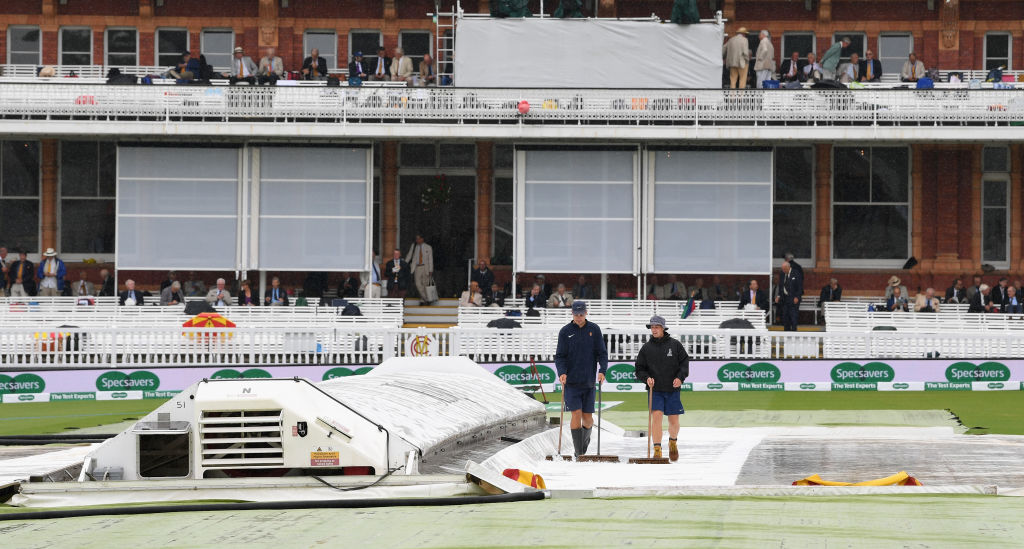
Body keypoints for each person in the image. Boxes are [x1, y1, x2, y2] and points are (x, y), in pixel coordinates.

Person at [554, 301, 608, 457]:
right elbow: (560, 356)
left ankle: (583, 448)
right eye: (576, 314)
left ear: (586, 313)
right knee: (576, 414)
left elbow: (602, 353)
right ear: (572, 313)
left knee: (588, 419)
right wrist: (562, 372)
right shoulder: (565, 332)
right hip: (571, 383)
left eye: (581, 314)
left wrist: (602, 370)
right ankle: (578, 453)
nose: (579, 317)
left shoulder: (594, 329)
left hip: (589, 382)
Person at [634, 315, 689, 462]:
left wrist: (680, 378)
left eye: (656, 327)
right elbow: (639, 369)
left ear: (663, 328)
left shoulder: (675, 345)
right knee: (656, 418)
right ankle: (657, 449)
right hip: (655, 390)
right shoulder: (646, 348)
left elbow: (684, 363)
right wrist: (646, 378)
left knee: (674, 421)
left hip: (672, 389)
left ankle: (672, 441)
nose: (654, 330)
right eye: (652, 327)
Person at [405, 235, 435, 305]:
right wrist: (404, 263)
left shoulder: (428, 247)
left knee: (425, 284)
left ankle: (422, 300)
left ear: (422, 239)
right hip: (417, 267)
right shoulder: (414, 246)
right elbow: (409, 255)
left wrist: (431, 270)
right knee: (418, 284)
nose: (417, 240)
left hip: (425, 267)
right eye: (416, 239)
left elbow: (430, 259)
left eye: (419, 239)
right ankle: (427, 299)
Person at [776, 261, 802, 331]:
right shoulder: (782, 274)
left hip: (793, 298)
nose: (783, 271)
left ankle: (793, 332)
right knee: (785, 316)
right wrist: (778, 296)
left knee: (793, 316)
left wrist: (797, 297)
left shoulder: (796, 273)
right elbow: (781, 286)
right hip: (785, 298)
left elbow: (800, 287)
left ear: (788, 267)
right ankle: (786, 332)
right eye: (782, 269)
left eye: (784, 269)